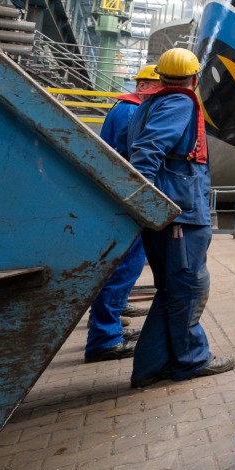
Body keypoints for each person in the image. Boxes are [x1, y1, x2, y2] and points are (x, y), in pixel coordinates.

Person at [126, 48, 235, 389]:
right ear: (195, 78)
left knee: (171, 290)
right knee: (189, 288)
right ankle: (192, 359)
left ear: (159, 76)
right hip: (180, 214)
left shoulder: (150, 103)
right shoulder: (180, 102)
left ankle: (150, 366)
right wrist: (144, 199)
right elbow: (150, 148)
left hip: (172, 210)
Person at [84, 64, 160, 362]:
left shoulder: (123, 109)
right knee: (124, 265)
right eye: (157, 87)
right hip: (128, 199)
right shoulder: (131, 112)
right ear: (141, 86)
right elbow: (136, 156)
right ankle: (105, 339)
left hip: (118, 197)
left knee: (120, 265)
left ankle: (109, 326)